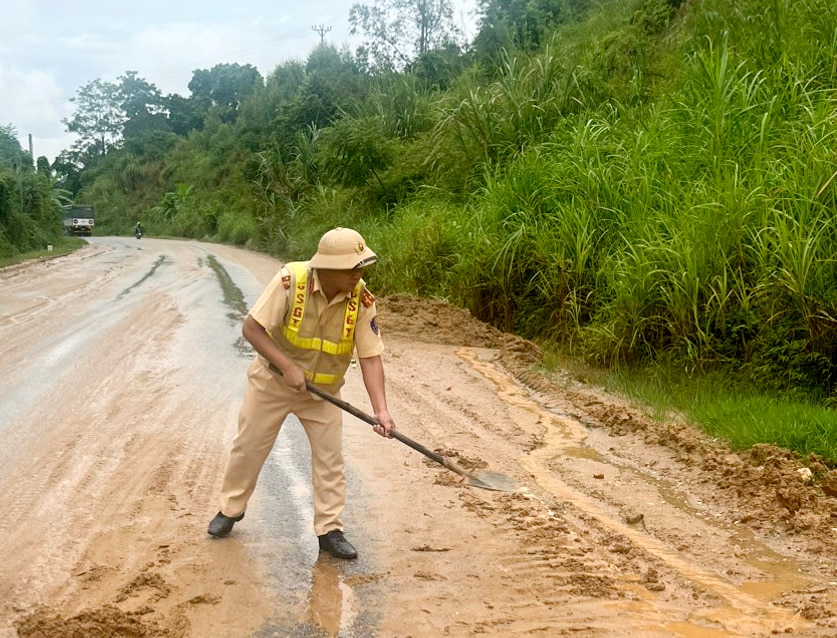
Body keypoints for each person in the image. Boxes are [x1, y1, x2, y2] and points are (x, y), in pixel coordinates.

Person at [208, 227, 396, 560]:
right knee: (248, 447)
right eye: (354, 267)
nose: (360, 273)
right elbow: (251, 328)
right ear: (330, 269)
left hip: (323, 393)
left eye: (361, 266)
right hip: (273, 383)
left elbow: (370, 357)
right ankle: (231, 508)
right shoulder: (290, 282)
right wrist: (287, 366)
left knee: (330, 461)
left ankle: (330, 530)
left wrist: (381, 410)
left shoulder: (362, 300)